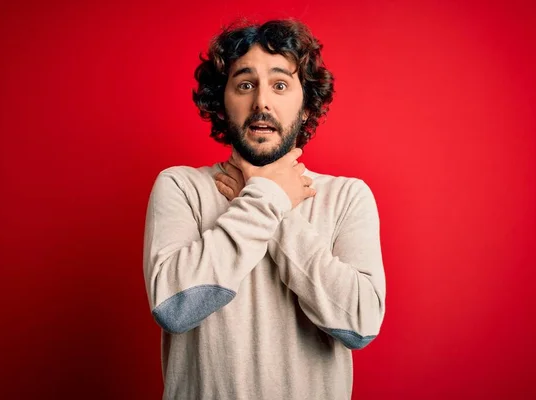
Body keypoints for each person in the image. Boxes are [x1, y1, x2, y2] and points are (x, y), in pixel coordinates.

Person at [142, 18, 386, 400]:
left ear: (306, 107)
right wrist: (270, 195)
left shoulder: (347, 197)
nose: (261, 102)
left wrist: (263, 198)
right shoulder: (181, 187)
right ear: (221, 104)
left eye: (280, 84)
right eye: (244, 84)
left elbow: (360, 324)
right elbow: (175, 307)